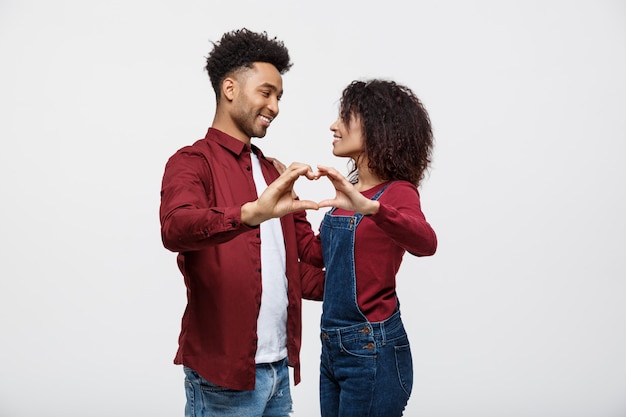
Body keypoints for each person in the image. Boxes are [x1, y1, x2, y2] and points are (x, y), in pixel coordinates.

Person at [159, 28, 325, 417]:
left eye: (279, 96)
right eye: (266, 92)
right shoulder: (191, 162)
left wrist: (359, 206)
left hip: (278, 370)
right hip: (222, 378)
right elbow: (176, 228)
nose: (276, 106)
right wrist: (248, 213)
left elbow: (303, 264)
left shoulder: (273, 172)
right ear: (230, 88)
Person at [308, 79, 438, 417]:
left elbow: (426, 242)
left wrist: (372, 208)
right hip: (332, 350)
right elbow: (317, 257)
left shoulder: (397, 193)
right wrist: (288, 205)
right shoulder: (346, 193)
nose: (334, 126)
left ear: (376, 127)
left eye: (345, 117)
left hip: (373, 350)